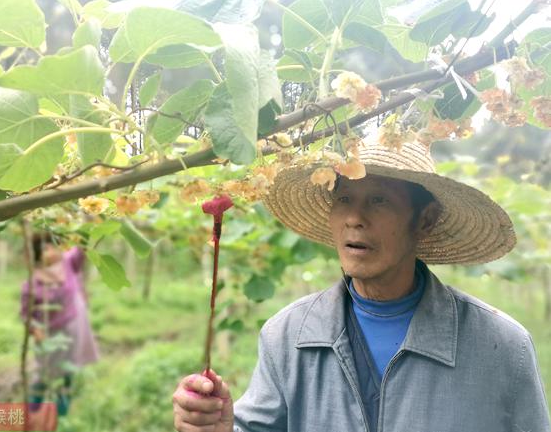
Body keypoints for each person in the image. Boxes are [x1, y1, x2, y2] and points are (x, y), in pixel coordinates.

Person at [172, 140, 551, 432]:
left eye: (379, 200)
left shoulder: (501, 347)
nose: (355, 217)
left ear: (425, 219)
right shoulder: (288, 336)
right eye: (344, 199)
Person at [20, 233, 99, 416]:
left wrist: (87, 220)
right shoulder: (32, 282)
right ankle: (32, 409)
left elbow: (82, 246)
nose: (53, 250)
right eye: (46, 248)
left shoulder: (68, 263)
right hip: (48, 334)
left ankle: (62, 412)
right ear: (37, 255)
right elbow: (26, 314)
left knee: (67, 371)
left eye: (54, 246)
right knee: (43, 372)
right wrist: (35, 329)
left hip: (73, 327)